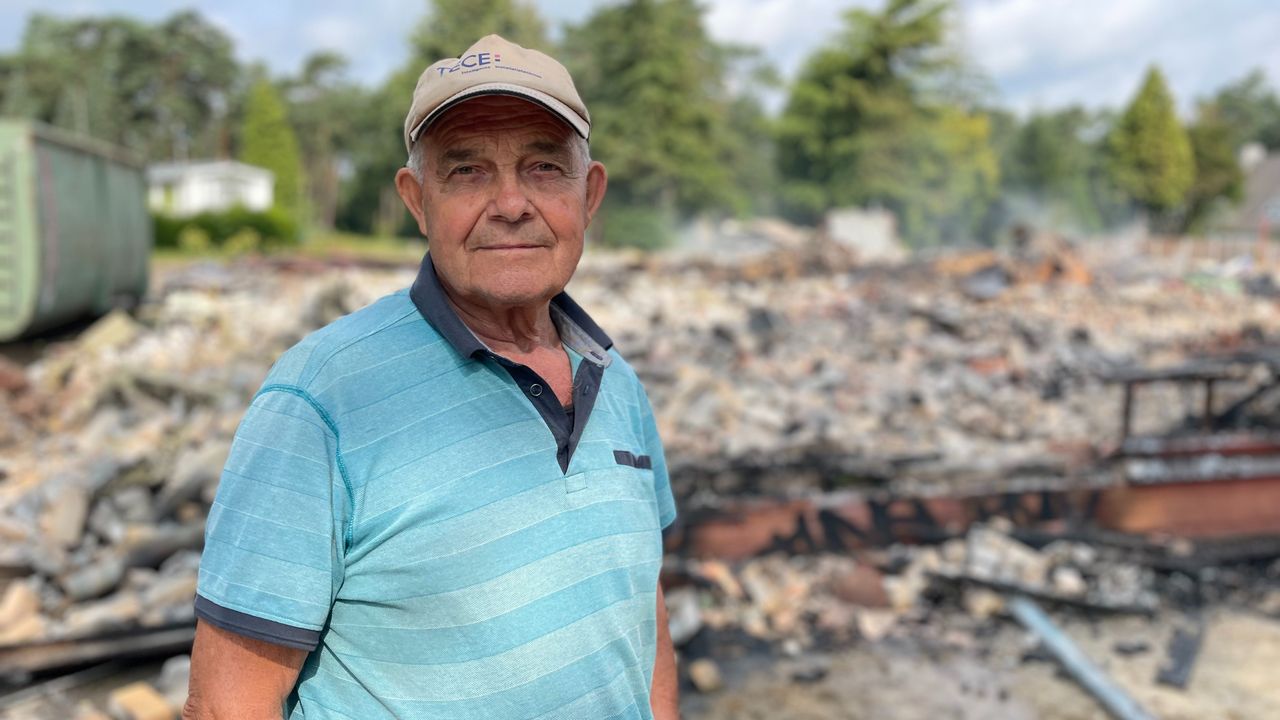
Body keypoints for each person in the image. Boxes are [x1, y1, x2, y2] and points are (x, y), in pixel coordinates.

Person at [183, 34, 679, 719]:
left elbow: (640, 614)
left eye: (542, 167)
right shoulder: (322, 399)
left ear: (588, 194)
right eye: (467, 171)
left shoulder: (616, 381)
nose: (510, 204)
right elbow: (226, 706)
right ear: (417, 201)